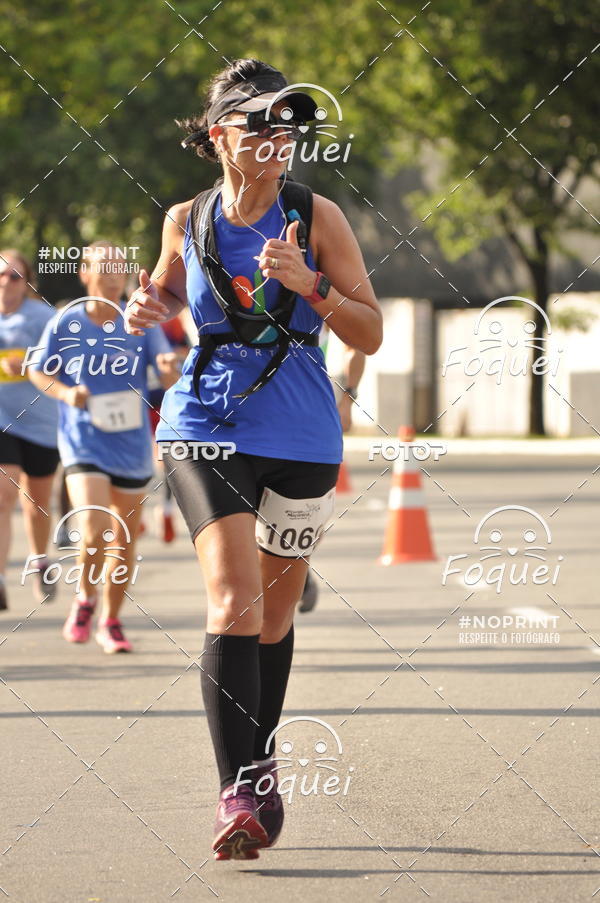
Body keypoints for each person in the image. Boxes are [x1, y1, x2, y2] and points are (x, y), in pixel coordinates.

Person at [124, 58, 382, 859]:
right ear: (218, 135)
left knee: (273, 616)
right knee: (234, 602)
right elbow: (167, 292)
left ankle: (258, 763)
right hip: (205, 426)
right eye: (260, 123)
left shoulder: (318, 214)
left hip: (303, 436)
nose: (278, 138)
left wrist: (312, 286)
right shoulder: (186, 218)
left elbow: (369, 331)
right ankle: (238, 789)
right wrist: (148, 305)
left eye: (288, 125)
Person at [28, 241, 178, 652]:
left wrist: (169, 371)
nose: (113, 275)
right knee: (93, 531)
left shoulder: (141, 321)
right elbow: (38, 371)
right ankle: (85, 599)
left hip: (130, 446)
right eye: (104, 267)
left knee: (124, 539)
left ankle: (110, 620)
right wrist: (65, 394)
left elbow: (167, 376)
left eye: (119, 268)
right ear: (85, 274)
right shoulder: (66, 322)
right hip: (83, 442)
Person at [0, 250, 59, 611]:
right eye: (1, 276)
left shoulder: (43, 317)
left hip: (40, 420)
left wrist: (31, 363)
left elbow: (65, 359)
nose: (6, 282)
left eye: (14, 277)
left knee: (36, 503)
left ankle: (39, 559)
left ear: (27, 283)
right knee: (3, 495)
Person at [298, 338, 366, 612]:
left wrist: (348, 398)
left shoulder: (315, 298)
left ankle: (298, 566)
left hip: (312, 415)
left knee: (310, 509)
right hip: (256, 414)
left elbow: (356, 345)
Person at [147, 314, 190, 542]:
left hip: (165, 400)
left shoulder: (174, 323)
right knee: (143, 460)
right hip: (139, 400)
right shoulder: (130, 319)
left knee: (166, 459)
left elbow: (188, 351)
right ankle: (141, 513)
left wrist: (174, 357)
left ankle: (164, 509)